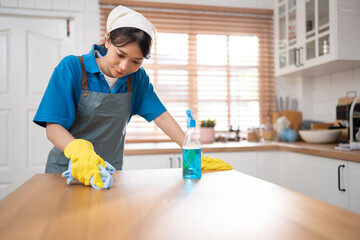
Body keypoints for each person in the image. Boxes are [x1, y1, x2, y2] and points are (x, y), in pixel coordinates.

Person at [33, 5, 186, 188]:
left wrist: (191, 149)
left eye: (135, 61)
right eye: (120, 54)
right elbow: (53, 127)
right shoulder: (72, 68)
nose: (124, 67)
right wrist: (78, 151)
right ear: (107, 41)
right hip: (66, 173)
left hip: (109, 174)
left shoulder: (136, 78)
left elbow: (161, 116)